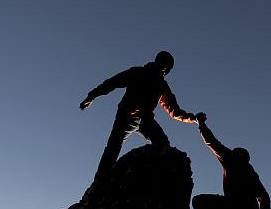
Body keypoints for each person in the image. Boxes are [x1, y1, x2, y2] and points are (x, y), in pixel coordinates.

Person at [80, 51, 199, 181]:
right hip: (126, 117)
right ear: (160, 64)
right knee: (113, 148)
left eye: (168, 69)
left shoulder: (162, 85)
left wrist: (193, 118)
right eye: (166, 67)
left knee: (162, 144)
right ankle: (100, 182)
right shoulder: (137, 72)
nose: (166, 71)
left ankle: (152, 177)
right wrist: (92, 95)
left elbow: (175, 111)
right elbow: (112, 83)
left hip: (145, 120)